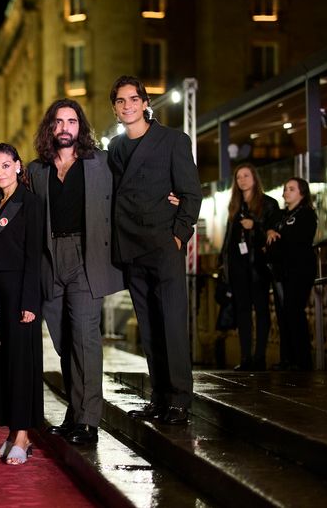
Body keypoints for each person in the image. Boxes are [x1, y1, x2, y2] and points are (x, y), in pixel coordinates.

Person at [27, 100, 124, 446]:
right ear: (50, 128)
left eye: (71, 121)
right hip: (50, 259)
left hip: (87, 256)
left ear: (80, 127)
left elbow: (128, 194)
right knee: (63, 340)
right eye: (58, 121)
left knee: (85, 338)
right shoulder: (36, 170)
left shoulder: (100, 163)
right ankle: (75, 411)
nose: (65, 127)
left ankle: (89, 421)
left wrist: (171, 200)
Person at [108, 75, 202, 426]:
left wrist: (178, 234)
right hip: (132, 246)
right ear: (115, 108)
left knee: (172, 324)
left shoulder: (173, 140)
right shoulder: (116, 149)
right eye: (120, 101)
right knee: (148, 327)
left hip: (163, 245)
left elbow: (191, 193)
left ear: (145, 103)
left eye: (133, 99)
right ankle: (160, 397)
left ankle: (180, 398)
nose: (127, 105)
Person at [0, 142, 44, 463]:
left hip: (22, 291)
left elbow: (35, 255)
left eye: (5, 166)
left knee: (22, 364)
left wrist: (30, 300)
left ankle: (24, 435)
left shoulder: (30, 203)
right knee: (5, 362)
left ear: (18, 166)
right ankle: (11, 432)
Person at [221, 163, 280, 371]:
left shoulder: (268, 204)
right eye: (238, 177)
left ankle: (259, 357)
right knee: (243, 312)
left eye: (246, 176)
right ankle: (245, 357)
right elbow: (229, 239)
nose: (242, 180)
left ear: (254, 178)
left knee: (262, 311)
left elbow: (274, 234)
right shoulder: (235, 206)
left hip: (258, 266)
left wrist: (255, 226)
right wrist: (224, 264)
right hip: (238, 268)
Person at [266, 178, 318, 371]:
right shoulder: (282, 215)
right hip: (283, 271)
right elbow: (271, 230)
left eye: (291, 189)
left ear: (302, 193)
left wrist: (278, 240)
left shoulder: (306, 214)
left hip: (300, 269)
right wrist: (271, 232)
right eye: (285, 188)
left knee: (294, 312)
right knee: (285, 314)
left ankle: (302, 360)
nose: (286, 192)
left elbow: (298, 241)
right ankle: (288, 358)